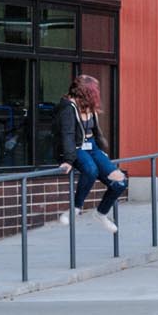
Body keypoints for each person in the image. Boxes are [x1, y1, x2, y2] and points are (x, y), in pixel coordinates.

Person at [55, 74, 126, 237]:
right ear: (86, 92)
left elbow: (96, 133)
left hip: (91, 147)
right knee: (90, 170)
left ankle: (101, 214)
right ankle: (74, 209)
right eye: (95, 91)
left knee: (120, 182)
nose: (97, 95)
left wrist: (102, 152)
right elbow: (67, 135)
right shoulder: (68, 108)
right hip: (76, 147)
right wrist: (68, 160)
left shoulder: (89, 107)